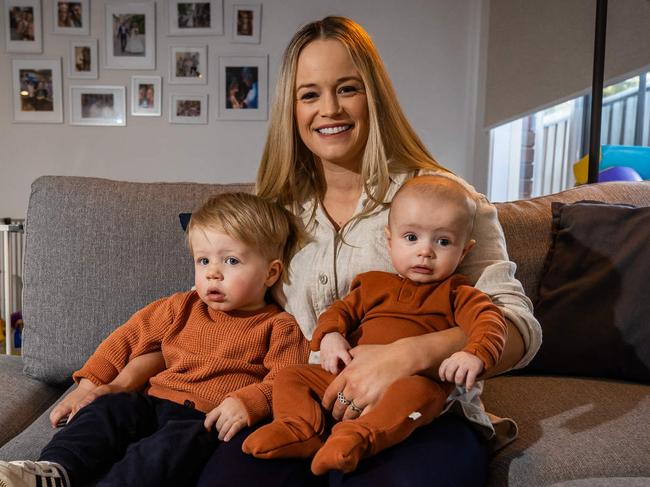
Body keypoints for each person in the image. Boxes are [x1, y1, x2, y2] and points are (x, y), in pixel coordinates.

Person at [196, 16, 541, 487]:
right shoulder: (274, 211)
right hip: (303, 406)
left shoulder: (443, 201)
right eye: (310, 94)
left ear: (373, 96)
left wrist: (408, 354)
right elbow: (211, 314)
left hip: (422, 413)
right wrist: (111, 378)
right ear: (291, 109)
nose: (330, 109)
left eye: (347, 89)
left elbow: (518, 325)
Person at [0, 193, 310, 487]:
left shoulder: (280, 326)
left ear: (271, 274)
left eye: (231, 261)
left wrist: (249, 401)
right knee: (108, 409)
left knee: (162, 453)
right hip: (151, 402)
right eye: (203, 261)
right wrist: (90, 383)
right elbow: (125, 340)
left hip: (204, 420)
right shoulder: (180, 306)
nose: (213, 273)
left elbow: (286, 380)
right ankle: (54, 471)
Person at [243, 175, 509, 475]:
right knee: (292, 377)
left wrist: (474, 353)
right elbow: (339, 311)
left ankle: (358, 437)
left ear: (464, 251)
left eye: (443, 241)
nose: (425, 251)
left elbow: (491, 322)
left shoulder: (459, 294)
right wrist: (329, 335)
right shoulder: (372, 284)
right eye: (411, 238)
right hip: (347, 377)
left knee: (420, 393)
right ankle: (297, 428)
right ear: (389, 240)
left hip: (415, 382)